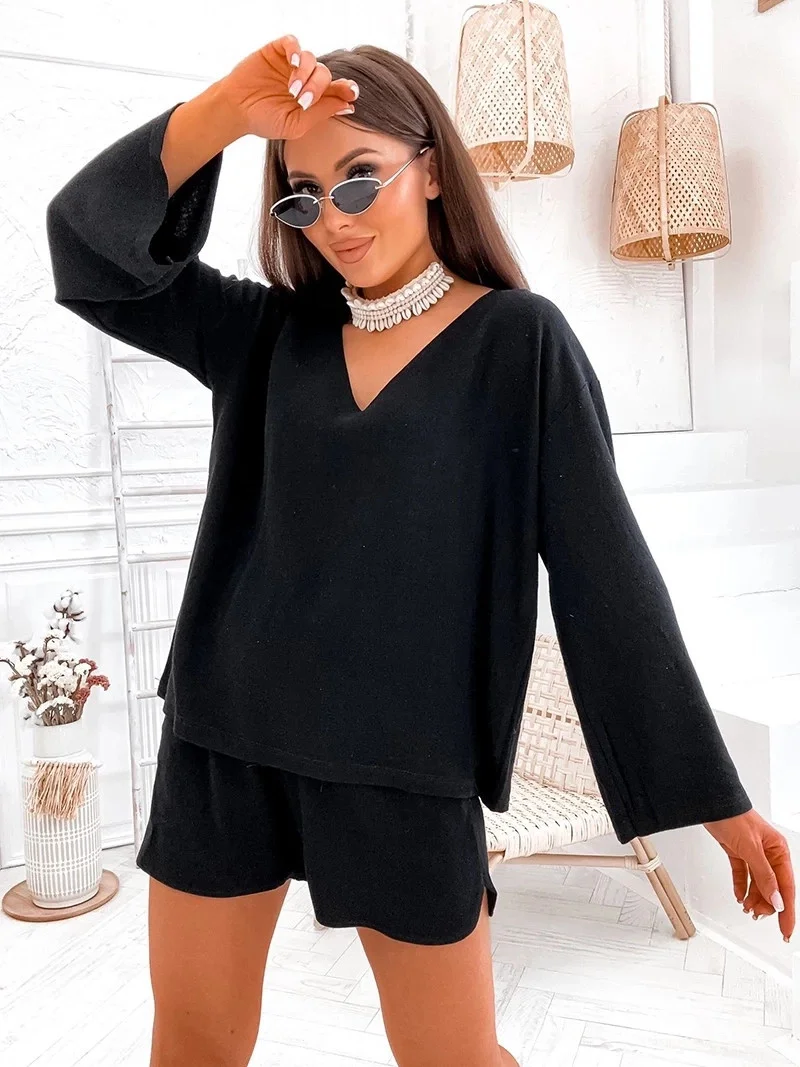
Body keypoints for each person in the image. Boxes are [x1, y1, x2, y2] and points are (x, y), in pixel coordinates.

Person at [45, 34, 795, 1067]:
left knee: (454, 1054)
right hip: (224, 738)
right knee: (194, 1044)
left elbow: (606, 577)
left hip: (406, 764)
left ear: (432, 168)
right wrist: (223, 112)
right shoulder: (267, 336)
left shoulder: (519, 343)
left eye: (360, 177)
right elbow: (88, 247)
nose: (335, 219)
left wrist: (716, 798)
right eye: (303, 196)